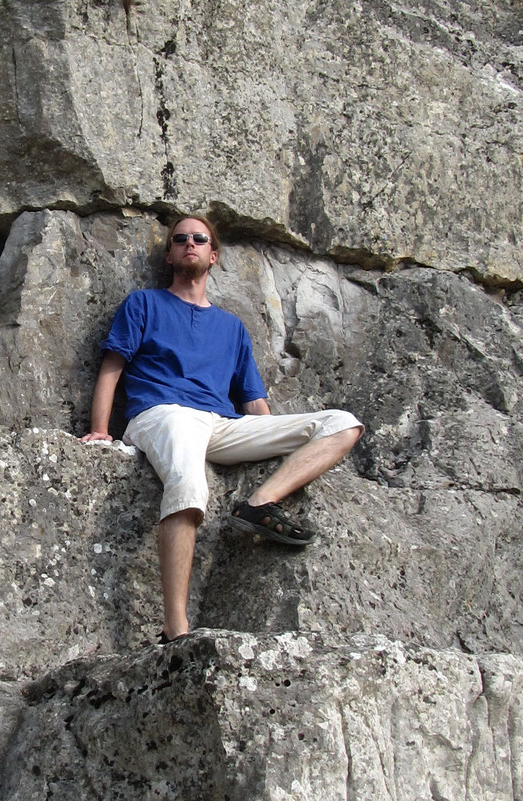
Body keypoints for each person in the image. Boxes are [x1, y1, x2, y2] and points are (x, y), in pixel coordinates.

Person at [83, 213, 363, 640]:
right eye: (180, 239)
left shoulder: (232, 328)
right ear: (171, 254)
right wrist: (100, 429)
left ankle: (259, 505)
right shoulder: (143, 304)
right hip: (162, 413)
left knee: (342, 423)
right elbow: (111, 368)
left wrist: (272, 443)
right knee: (189, 484)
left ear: (213, 255)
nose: (189, 243)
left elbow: (254, 402)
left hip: (221, 424)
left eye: (199, 238)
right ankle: (176, 629)